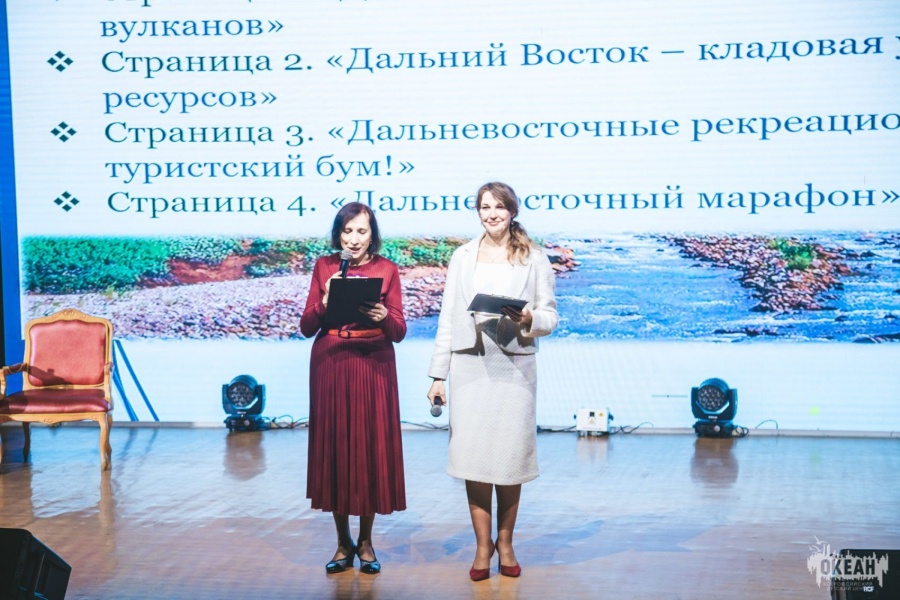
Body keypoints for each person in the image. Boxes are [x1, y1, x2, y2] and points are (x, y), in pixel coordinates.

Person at [426, 181, 558, 581]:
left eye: (499, 207)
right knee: (475, 458)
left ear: (512, 211)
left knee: (509, 459)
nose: (492, 214)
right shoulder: (463, 256)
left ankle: (506, 542)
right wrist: (438, 375)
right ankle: (483, 545)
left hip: (514, 367)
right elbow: (448, 317)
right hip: (470, 366)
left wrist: (529, 317)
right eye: (485, 207)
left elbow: (551, 316)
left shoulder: (534, 257)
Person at [301, 202, 407, 575]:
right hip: (331, 362)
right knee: (337, 449)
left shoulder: (387, 269)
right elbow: (306, 326)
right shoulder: (324, 267)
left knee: (368, 450)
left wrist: (384, 316)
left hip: (373, 361)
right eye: (348, 231)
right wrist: (326, 299)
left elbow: (399, 331)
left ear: (372, 235)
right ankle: (342, 542)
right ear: (339, 234)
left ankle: (366, 542)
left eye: (361, 231)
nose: (354, 239)